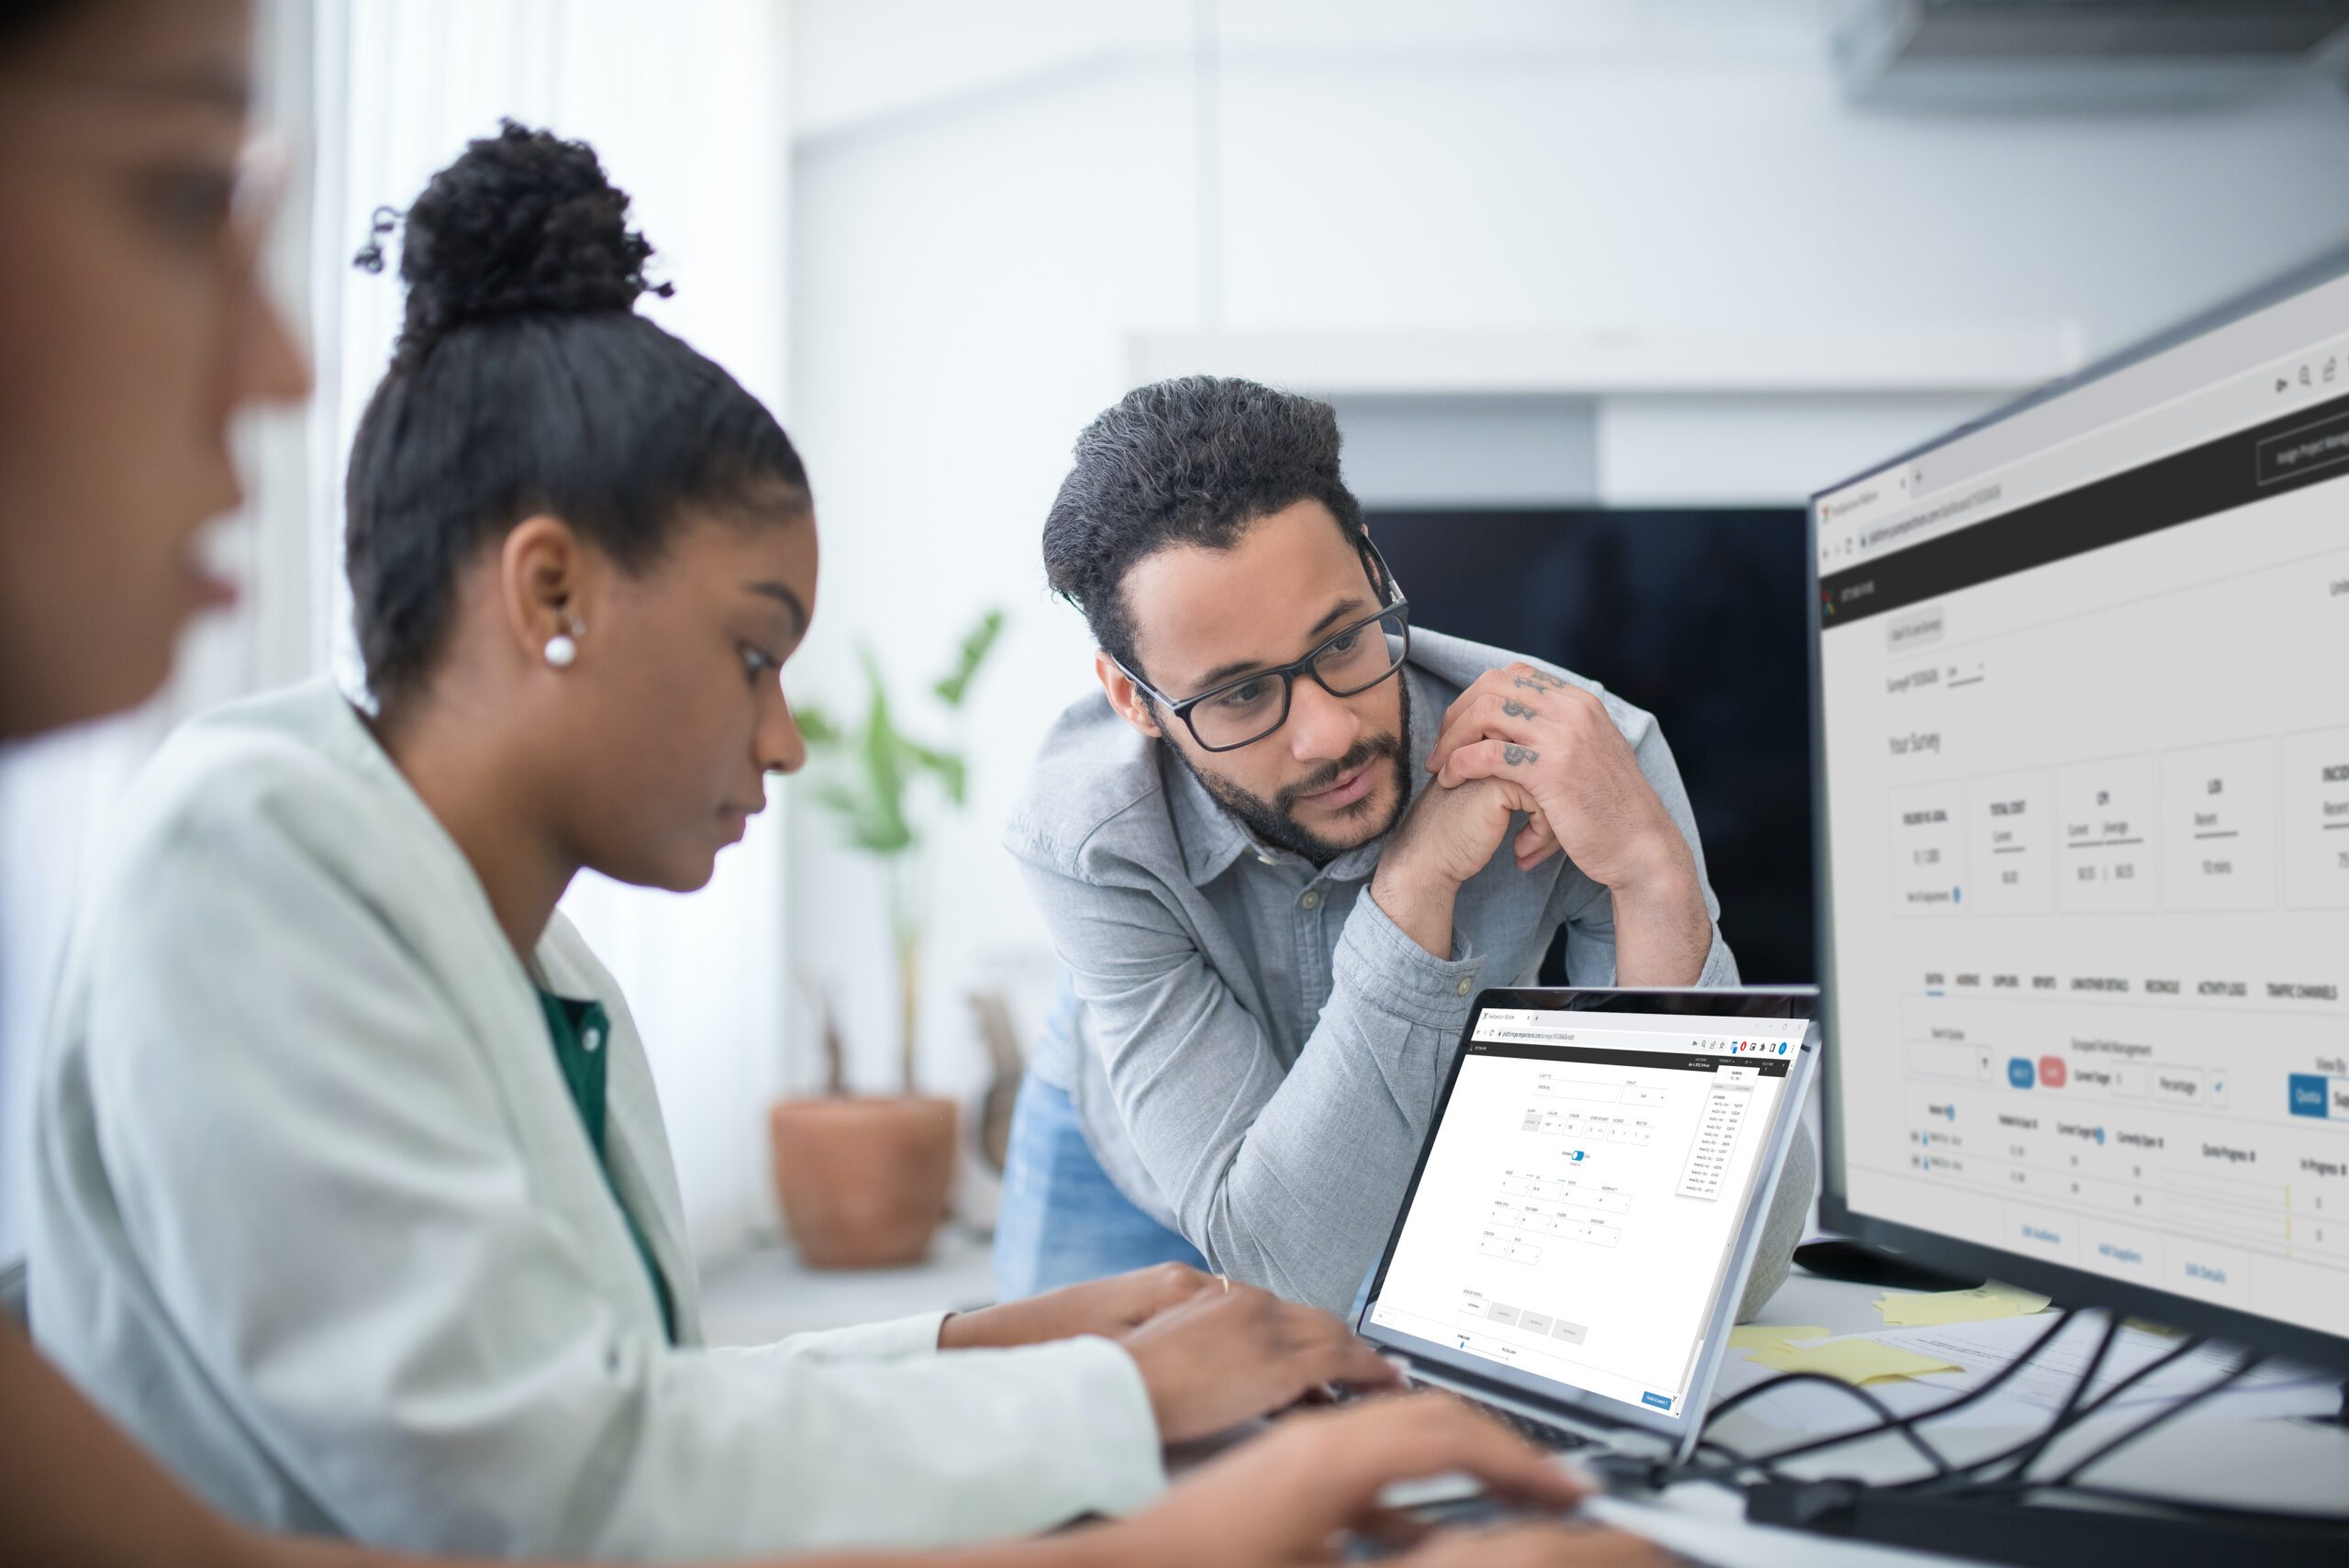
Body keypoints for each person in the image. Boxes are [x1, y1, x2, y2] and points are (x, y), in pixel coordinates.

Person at [0, 7, 1671, 1563]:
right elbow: (552, 1498)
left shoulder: (534, 963)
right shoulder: (257, 851)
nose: (787, 738)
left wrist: (1002, 1336)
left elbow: (613, 1406)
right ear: (552, 595)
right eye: (753, 650)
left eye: (1338, 645)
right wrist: (1194, 1461)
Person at [996, 376, 1815, 1318]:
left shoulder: (1585, 757)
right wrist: (1414, 883)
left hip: (1427, 1144)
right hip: (1145, 1169)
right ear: (1133, 697)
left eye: (1343, 638)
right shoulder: (1087, 840)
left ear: (1376, 570)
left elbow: (1731, 1281)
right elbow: (1287, 1270)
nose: (1329, 735)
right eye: (1238, 695)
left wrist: (1652, 873)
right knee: (1081, 1440)